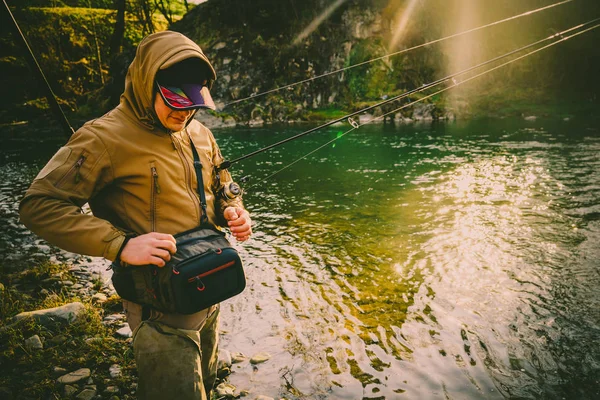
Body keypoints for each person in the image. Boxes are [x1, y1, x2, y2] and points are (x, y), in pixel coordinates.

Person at [19, 31, 252, 399]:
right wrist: (120, 244)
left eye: (193, 102)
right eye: (174, 101)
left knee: (206, 381)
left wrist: (233, 210)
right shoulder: (101, 138)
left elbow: (222, 185)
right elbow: (39, 205)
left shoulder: (201, 133)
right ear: (147, 83)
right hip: (158, 309)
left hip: (209, 288)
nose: (184, 112)